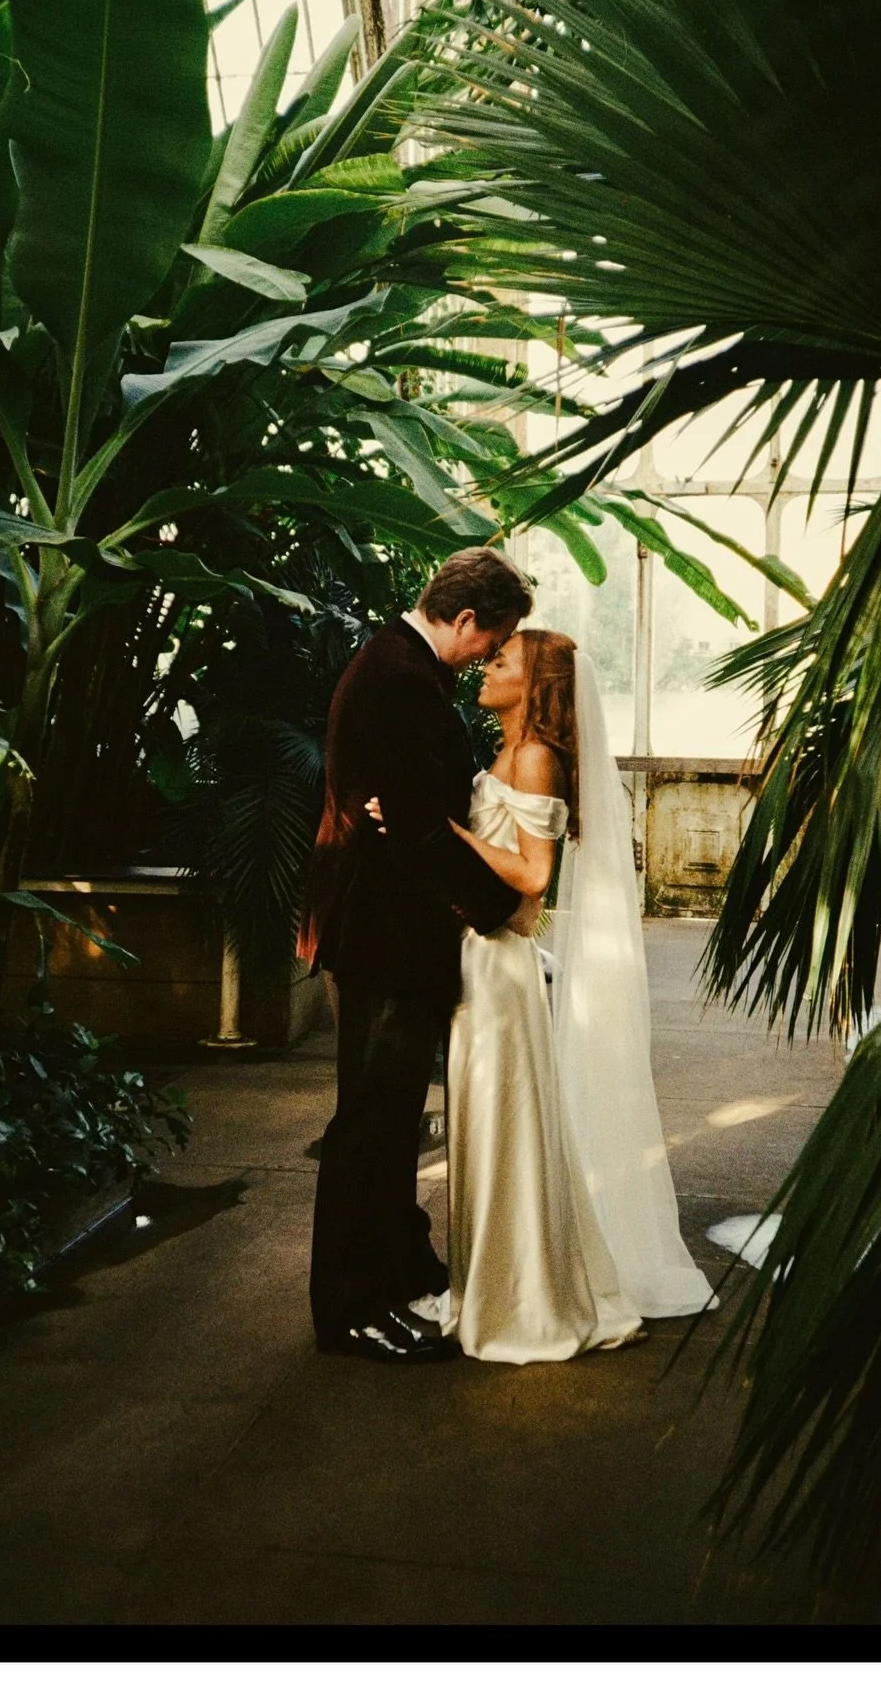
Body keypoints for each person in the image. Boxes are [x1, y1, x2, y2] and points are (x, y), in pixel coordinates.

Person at [367, 630, 716, 1363]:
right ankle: (494, 1281)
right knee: (483, 1123)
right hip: (477, 959)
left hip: (501, 972)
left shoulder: (534, 758)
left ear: (536, 685)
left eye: (504, 662)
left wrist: (451, 833)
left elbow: (532, 878)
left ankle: (524, 1298)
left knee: (503, 1121)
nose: (488, 667)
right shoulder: (500, 749)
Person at [298, 547, 536, 1363]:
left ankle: (393, 1279)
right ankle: (350, 1309)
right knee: (371, 1125)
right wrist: (506, 912)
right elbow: (419, 831)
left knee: (387, 1124)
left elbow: (399, 811)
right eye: (491, 639)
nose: (486, 659)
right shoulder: (402, 679)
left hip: (379, 933)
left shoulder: (389, 662)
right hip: (388, 939)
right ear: (466, 618)